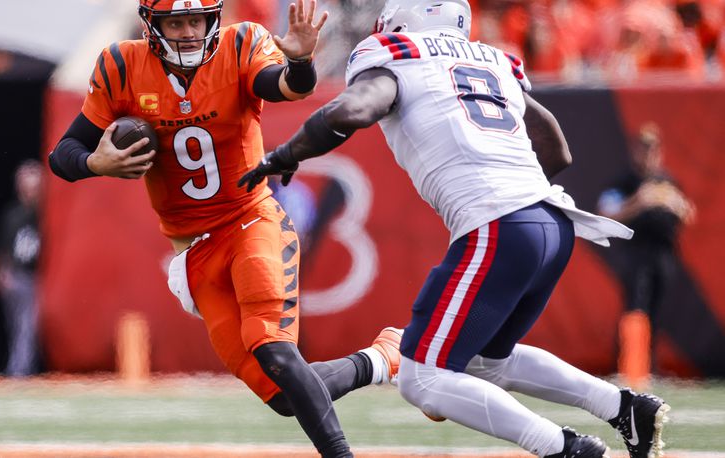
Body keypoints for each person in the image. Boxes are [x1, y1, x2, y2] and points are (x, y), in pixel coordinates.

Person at [238, 1, 671, 457]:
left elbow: (352, 111)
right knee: (486, 361)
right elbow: (557, 149)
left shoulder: (396, 53)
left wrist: (286, 154)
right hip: (553, 221)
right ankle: (624, 407)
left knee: (422, 376)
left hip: (501, 222)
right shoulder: (491, 59)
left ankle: (563, 448)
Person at [47, 1, 400, 456]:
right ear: (151, 26)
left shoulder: (241, 43)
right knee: (282, 396)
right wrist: (95, 161)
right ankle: (381, 359)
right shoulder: (122, 64)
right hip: (193, 249)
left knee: (271, 349)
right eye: (177, 22)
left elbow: (286, 88)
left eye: (197, 20)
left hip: (250, 219)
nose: (190, 31)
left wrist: (298, 60)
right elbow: (64, 154)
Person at [598, 123, 695, 390]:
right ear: (634, 151)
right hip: (635, 253)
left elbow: (688, 213)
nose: (648, 155)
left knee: (656, 311)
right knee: (635, 309)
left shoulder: (668, 180)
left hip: (663, 254)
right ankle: (630, 369)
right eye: (643, 149)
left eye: (652, 149)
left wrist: (676, 204)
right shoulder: (625, 182)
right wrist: (639, 202)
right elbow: (606, 212)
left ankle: (648, 369)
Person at [0, 159, 44, 377]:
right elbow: (2, 246)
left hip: (38, 277)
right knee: (18, 325)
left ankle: (19, 372)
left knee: (28, 325)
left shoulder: (48, 213)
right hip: (17, 275)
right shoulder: (13, 215)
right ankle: (19, 370)